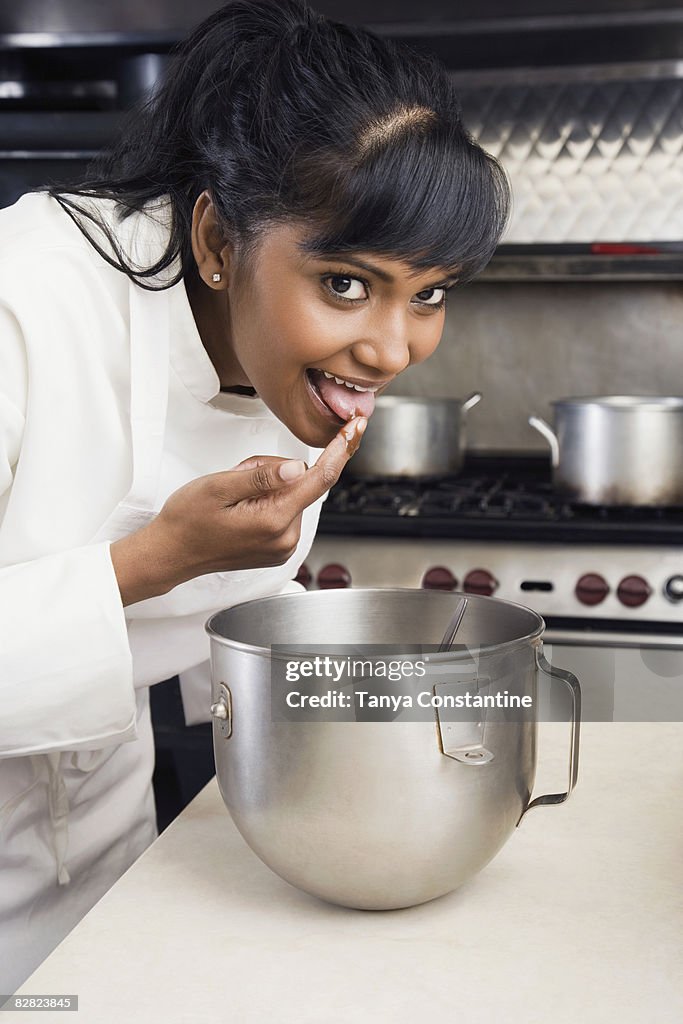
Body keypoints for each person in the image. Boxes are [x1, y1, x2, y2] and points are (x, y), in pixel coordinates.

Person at [0, 0, 510, 992]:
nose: (393, 348)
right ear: (216, 239)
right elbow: (163, 580)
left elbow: (209, 651)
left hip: (106, 860)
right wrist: (155, 561)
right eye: (350, 285)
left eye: (432, 293)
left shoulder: (288, 354)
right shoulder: (23, 303)